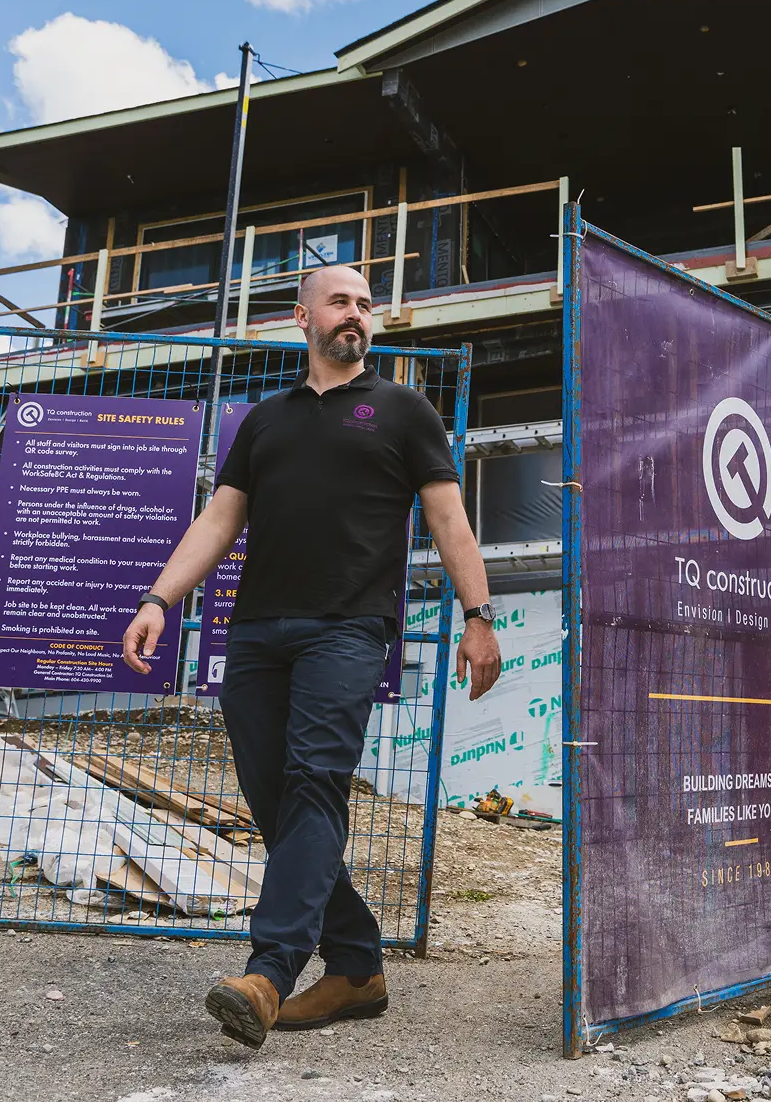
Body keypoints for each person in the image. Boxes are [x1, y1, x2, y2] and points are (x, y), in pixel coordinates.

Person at [121, 264, 502, 1049]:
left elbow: (449, 519)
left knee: (315, 780)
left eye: (366, 304)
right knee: (279, 802)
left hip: (349, 628)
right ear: (304, 317)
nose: (356, 314)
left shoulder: (403, 410)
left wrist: (479, 615)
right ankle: (358, 966)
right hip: (257, 633)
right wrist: (159, 599)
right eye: (341, 301)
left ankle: (268, 973)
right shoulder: (264, 421)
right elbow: (219, 521)